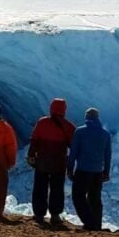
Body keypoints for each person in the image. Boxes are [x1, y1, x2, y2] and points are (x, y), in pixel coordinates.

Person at [27, 98, 76, 229]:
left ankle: (39, 214)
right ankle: (55, 214)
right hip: (59, 163)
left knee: (39, 188)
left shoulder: (42, 122)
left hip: (42, 161)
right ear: (64, 110)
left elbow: (34, 140)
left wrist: (31, 155)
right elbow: (74, 146)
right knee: (57, 189)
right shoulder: (69, 126)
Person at [67, 108, 112, 231]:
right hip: (98, 172)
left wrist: (70, 168)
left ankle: (89, 223)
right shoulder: (105, 134)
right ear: (97, 117)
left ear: (87, 117)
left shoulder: (80, 132)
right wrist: (106, 171)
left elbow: (74, 151)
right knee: (95, 198)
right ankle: (97, 224)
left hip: (83, 170)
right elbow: (108, 155)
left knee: (78, 196)